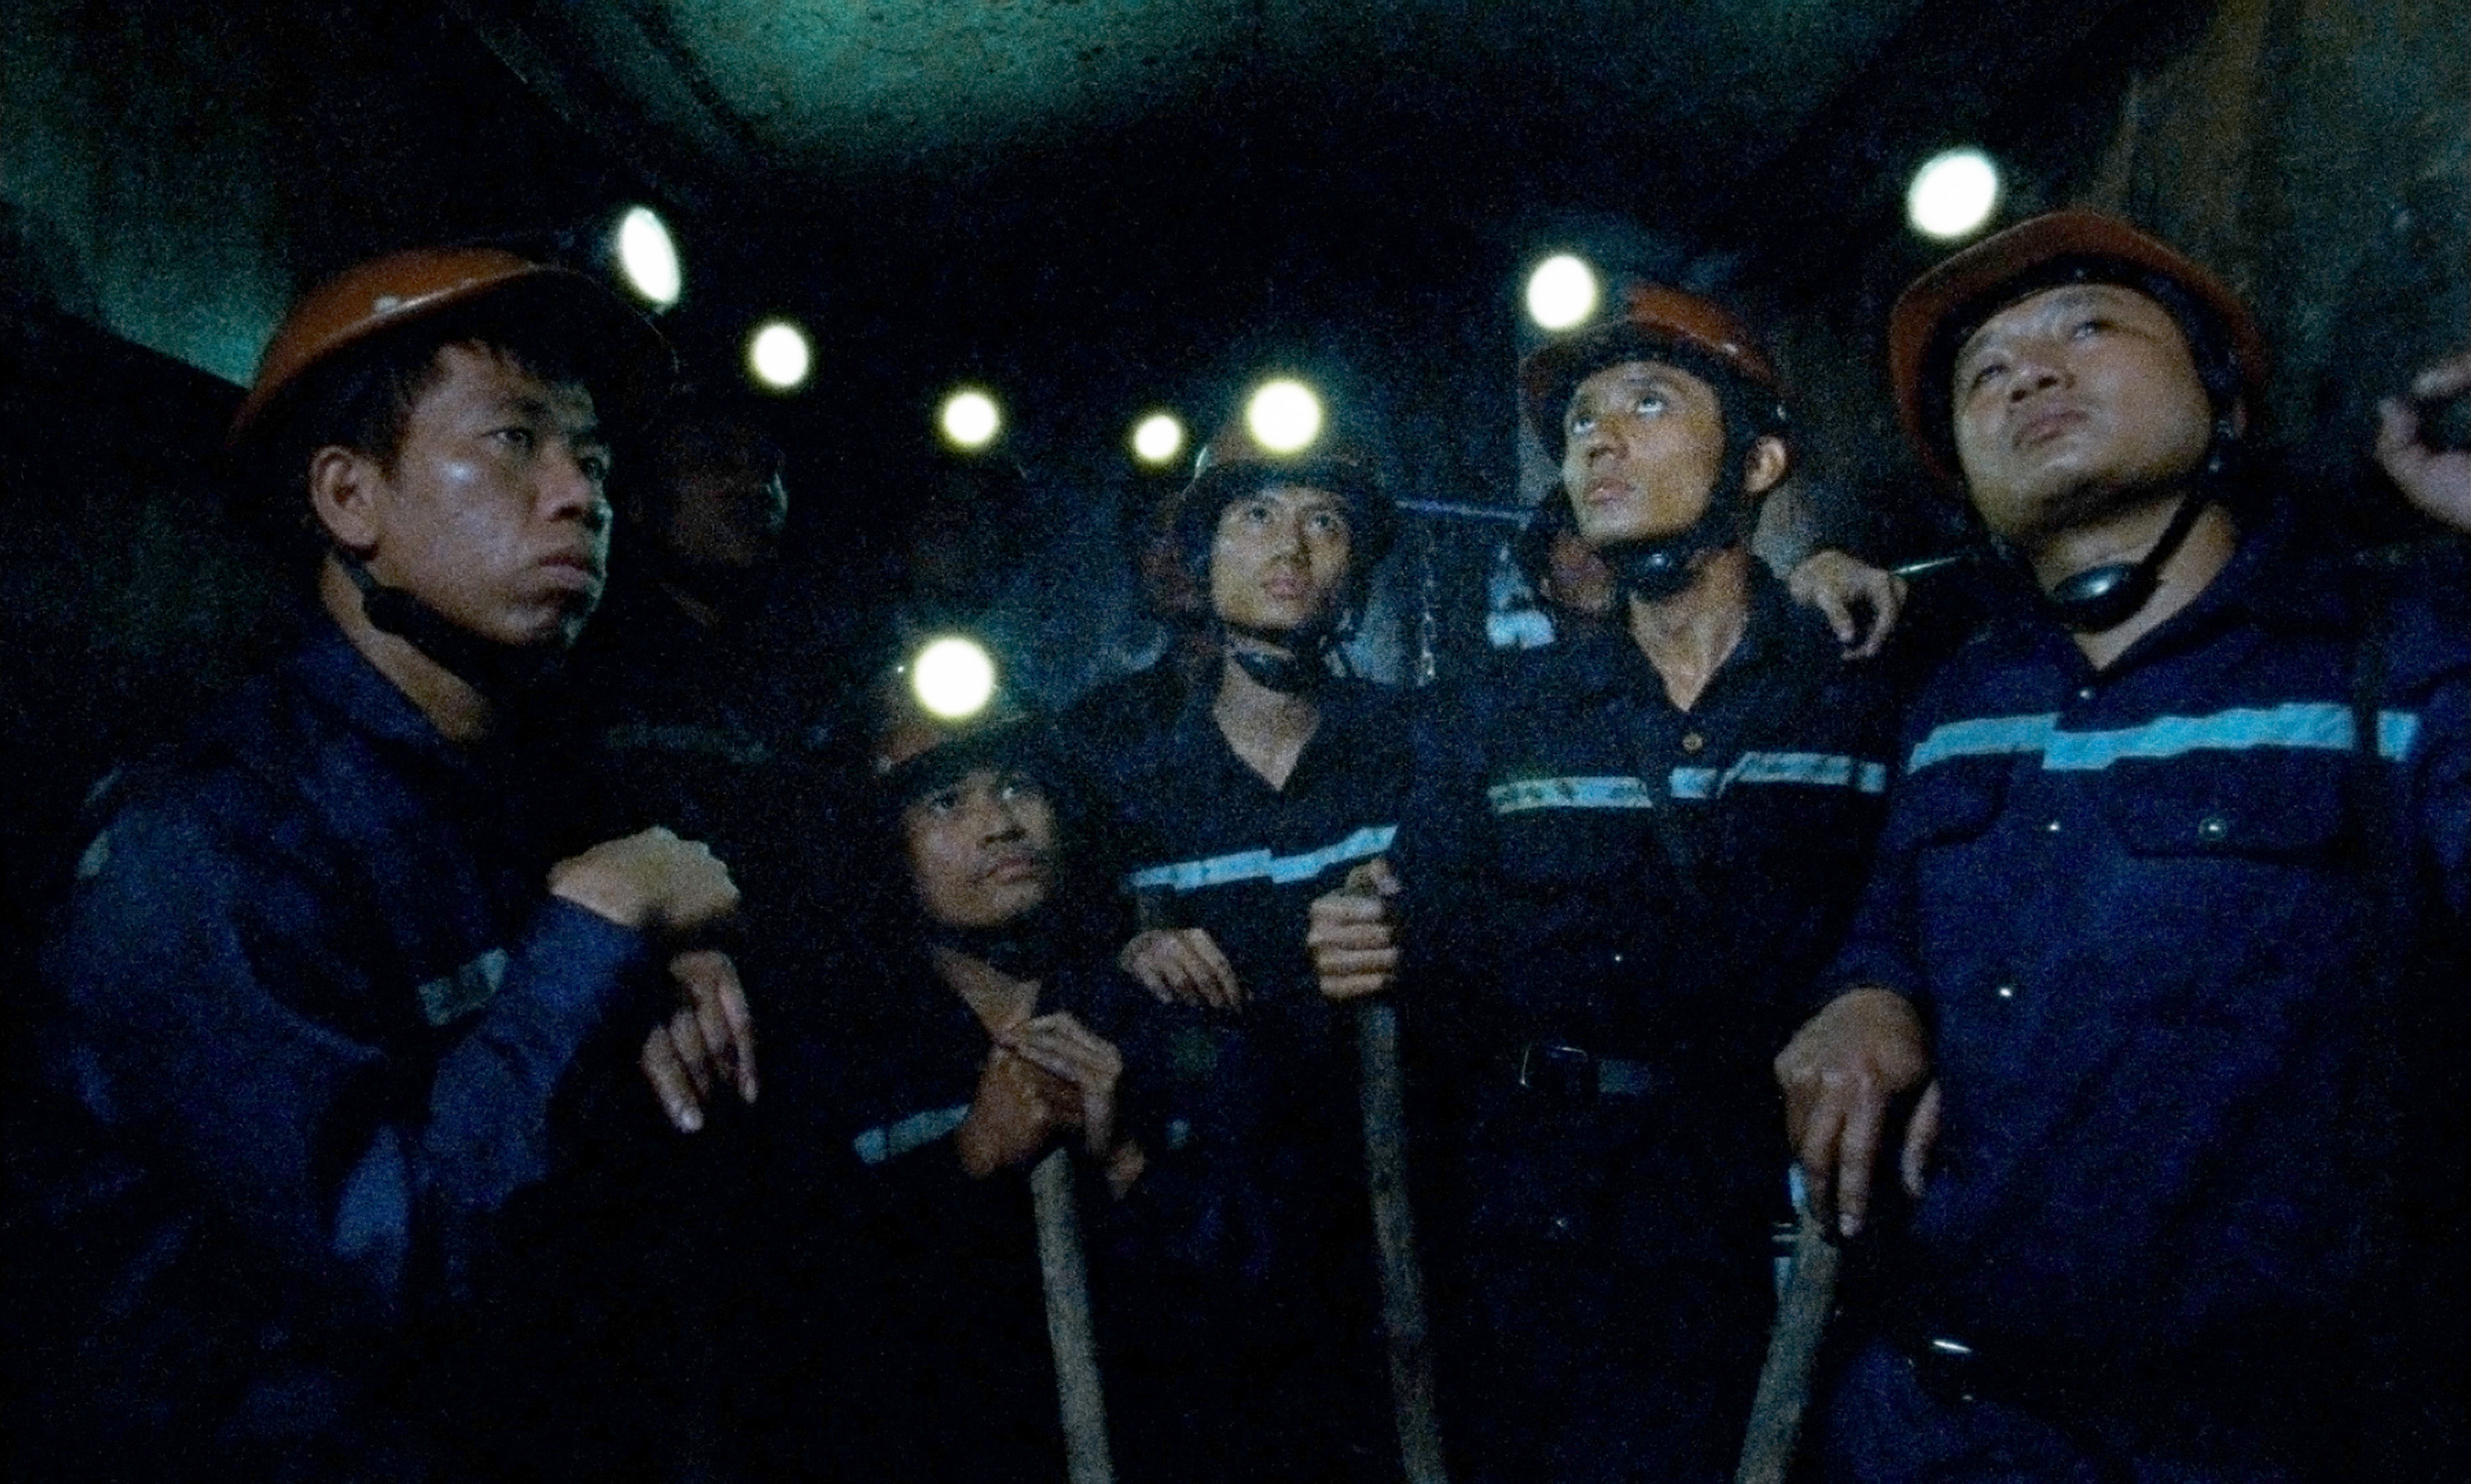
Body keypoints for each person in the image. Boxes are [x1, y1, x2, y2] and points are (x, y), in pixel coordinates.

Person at [16, 247, 756, 1480]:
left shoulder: (516, 787)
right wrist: (600, 922)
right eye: (513, 440)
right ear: (350, 498)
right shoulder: (206, 843)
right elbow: (395, 1258)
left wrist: (656, 965)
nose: (579, 495)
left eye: (594, 460)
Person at [1777, 209, 2471, 1481]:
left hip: (2256, 1441)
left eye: (2087, 328)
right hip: (1935, 1420)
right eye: (1984, 372)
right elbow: (1892, 918)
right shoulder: (1960, 698)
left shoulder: (2396, 658)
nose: (2027, 374)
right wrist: (1863, 994)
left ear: (2222, 402)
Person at [1310, 285, 1916, 1484]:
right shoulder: (1502, 714)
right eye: (1580, 420)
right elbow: (1424, 933)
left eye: (1647, 404)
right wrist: (1365, 924)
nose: (1596, 441)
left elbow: (1921, 916)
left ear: (1759, 464)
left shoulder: (1858, 683)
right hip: (1554, 1223)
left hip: (1790, 1215)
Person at [1069, 412, 1414, 1483]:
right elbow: (1050, 981)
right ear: (1200, 554)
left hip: (1398, 1234)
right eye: (1255, 515)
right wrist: (1125, 959)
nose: (1289, 546)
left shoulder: (1424, 754)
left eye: (1325, 522)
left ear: (1356, 573)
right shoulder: (1123, 792)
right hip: (1204, 1259)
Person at [731, 690, 1155, 1482]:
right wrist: (968, 1161)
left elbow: (1254, 1294)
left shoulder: (1143, 1015)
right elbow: (803, 1324)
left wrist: (1126, 1161)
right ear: (883, 847)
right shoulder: (840, 1057)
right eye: (947, 802)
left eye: (1018, 787)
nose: (1000, 825)